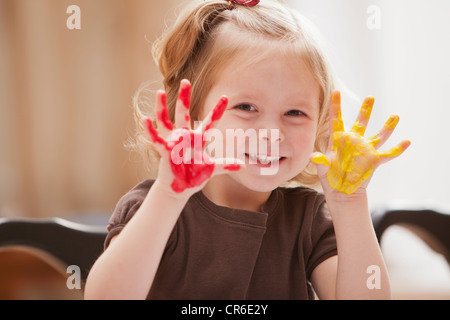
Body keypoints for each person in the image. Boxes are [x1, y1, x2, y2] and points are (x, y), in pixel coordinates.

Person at [84, 0, 410, 300]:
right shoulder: (152, 207)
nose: (271, 134)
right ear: (196, 112)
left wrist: (349, 205)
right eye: (246, 107)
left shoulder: (310, 220)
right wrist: (168, 198)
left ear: (320, 125)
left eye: (295, 113)